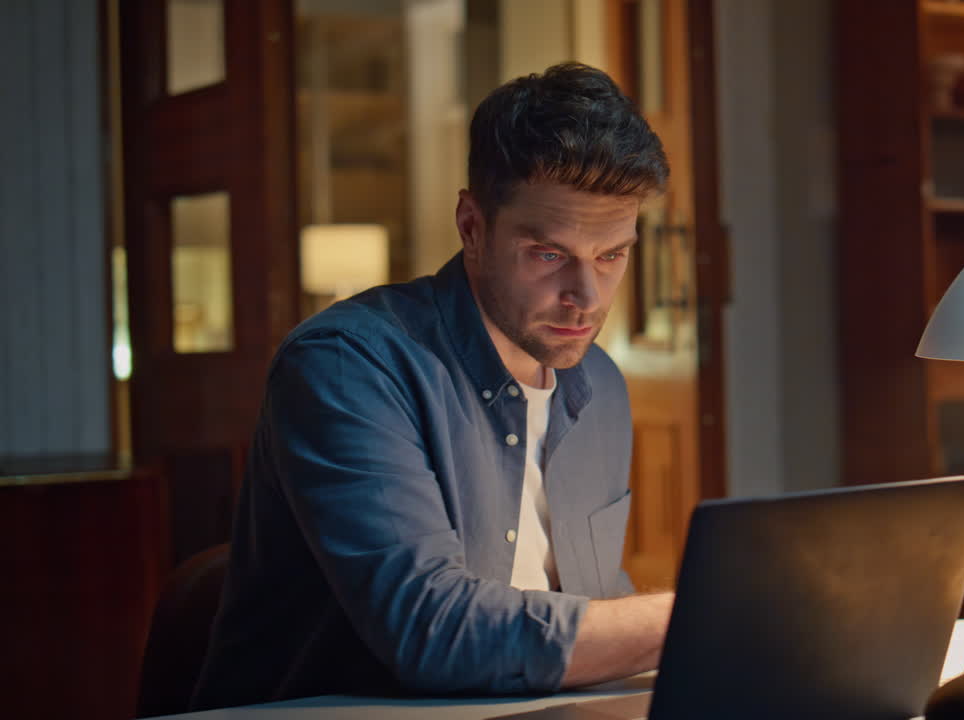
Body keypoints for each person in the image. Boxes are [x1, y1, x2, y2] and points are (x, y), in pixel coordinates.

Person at [191, 62, 675, 710]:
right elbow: (431, 630)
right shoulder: (346, 367)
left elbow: (590, 614)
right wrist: (690, 617)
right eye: (549, 254)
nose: (586, 298)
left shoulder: (601, 386)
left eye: (612, 255)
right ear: (472, 226)